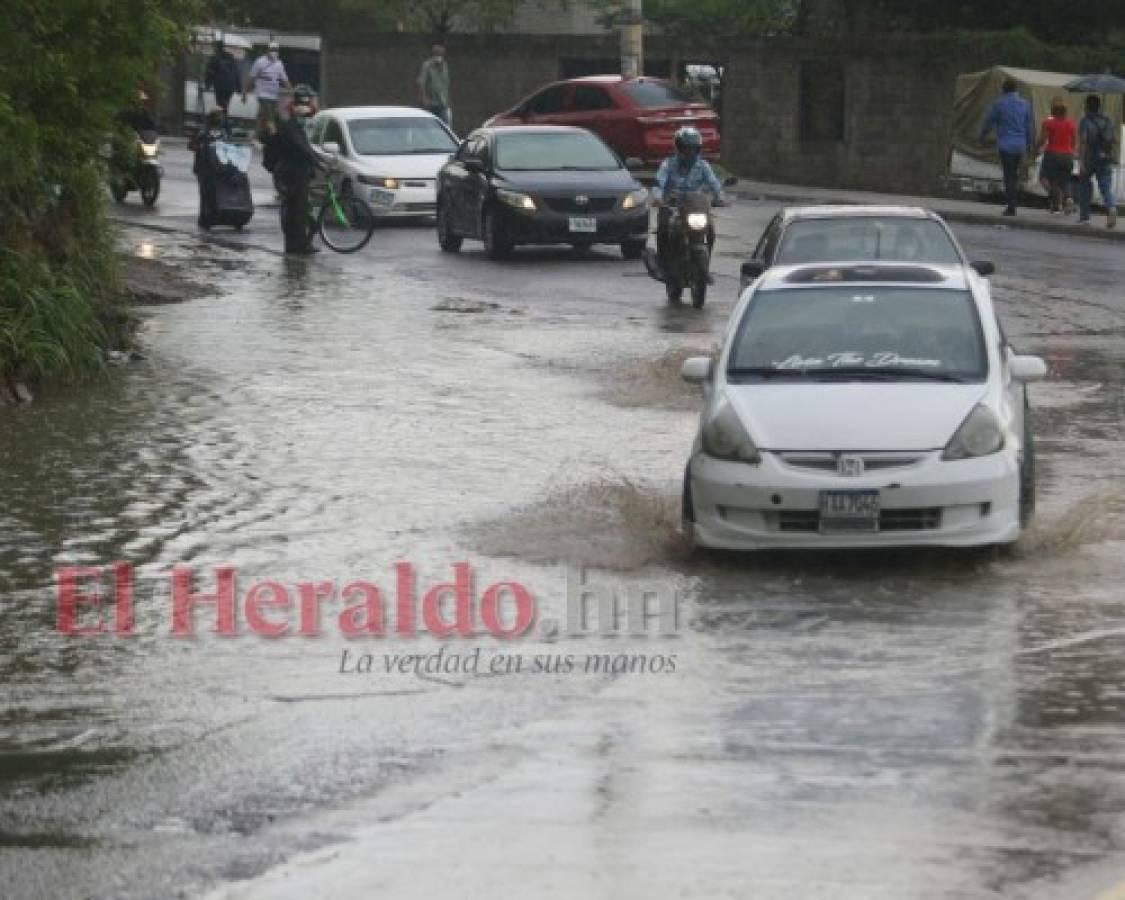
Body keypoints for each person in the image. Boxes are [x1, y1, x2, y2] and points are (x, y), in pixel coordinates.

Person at [650, 126, 726, 278]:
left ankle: (705, 265)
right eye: (686, 149)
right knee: (664, 226)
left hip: (694, 206)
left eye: (694, 149)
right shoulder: (668, 164)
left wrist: (720, 197)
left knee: (710, 229)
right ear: (678, 148)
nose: (690, 153)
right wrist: (657, 198)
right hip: (672, 207)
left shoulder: (703, 166)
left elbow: (713, 183)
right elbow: (659, 182)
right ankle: (662, 264)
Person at [264, 85, 323, 255]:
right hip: (292, 174)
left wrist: (317, 160)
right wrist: (317, 163)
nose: (307, 114)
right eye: (304, 110)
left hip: (299, 173)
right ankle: (296, 246)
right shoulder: (289, 127)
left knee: (301, 209)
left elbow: (307, 148)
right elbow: (301, 149)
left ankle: (302, 244)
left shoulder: (297, 126)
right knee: (296, 210)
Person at [978, 77, 1035, 216]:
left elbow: (989, 121)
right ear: (1016, 90)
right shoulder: (1025, 105)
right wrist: (1029, 146)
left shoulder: (999, 104)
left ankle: (1011, 206)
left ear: (1003, 90)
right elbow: (1028, 127)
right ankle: (1012, 201)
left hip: (1006, 145)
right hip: (1020, 146)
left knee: (1009, 175)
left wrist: (982, 136)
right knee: (1014, 175)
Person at [1076, 95, 1118, 229]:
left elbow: (1083, 141)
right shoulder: (1108, 121)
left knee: (1084, 185)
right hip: (1105, 157)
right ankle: (1111, 207)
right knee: (1105, 187)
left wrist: (1081, 161)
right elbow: (1113, 140)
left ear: (1087, 106)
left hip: (1089, 158)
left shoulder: (1085, 121)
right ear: (1099, 106)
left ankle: (1084, 217)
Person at [1036, 97, 1077, 214]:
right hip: (1068, 155)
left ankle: (1057, 204)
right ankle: (1068, 199)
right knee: (1064, 180)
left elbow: (1043, 139)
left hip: (1052, 154)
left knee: (1045, 178)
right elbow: (1074, 142)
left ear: (1053, 110)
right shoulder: (1071, 124)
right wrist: (1071, 151)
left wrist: (1035, 149)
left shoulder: (1048, 123)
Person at [189, 110, 229, 228]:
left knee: (212, 193)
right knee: (205, 193)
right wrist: (201, 148)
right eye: (218, 117)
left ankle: (211, 216)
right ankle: (204, 218)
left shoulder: (222, 133)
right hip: (204, 167)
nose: (220, 119)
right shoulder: (203, 132)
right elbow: (191, 145)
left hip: (217, 167)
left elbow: (228, 147)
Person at [245, 40, 289, 141]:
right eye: (272, 49)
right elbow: (251, 77)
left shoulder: (279, 64)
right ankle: (275, 138)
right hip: (262, 94)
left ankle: (256, 137)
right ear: (268, 50)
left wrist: (291, 91)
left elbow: (284, 79)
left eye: (276, 50)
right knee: (270, 118)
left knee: (262, 116)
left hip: (273, 95)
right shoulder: (260, 62)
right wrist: (245, 91)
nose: (274, 52)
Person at [204, 40, 242, 132]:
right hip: (230, 86)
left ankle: (223, 127)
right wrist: (238, 87)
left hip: (220, 85)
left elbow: (210, 72)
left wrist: (207, 85)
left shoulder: (215, 58)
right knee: (225, 106)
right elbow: (236, 72)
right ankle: (224, 126)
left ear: (216, 47)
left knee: (220, 106)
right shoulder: (230, 57)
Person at [417, 42, 451, 126]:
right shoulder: (427, 65)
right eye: (437, 53)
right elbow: (421, 82)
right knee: (430, 125)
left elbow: (445, 84)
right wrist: (424, 98)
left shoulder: (445, 65)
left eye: (440, 53)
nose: (439, 56)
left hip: (443, 103)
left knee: (445, 126)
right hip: (432, 103)